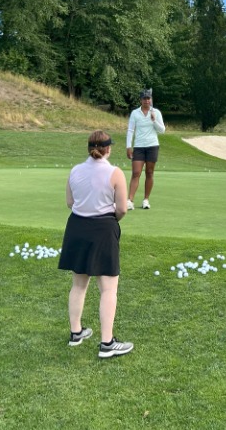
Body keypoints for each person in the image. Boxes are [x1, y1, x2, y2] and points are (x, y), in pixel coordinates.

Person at [58, 130, 133, 358]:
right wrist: (111, 220)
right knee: (108, 288)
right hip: (102, 229)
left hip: (77, 228)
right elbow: (121, 209)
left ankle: (76, 333)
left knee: (79, 284)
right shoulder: (115, 173)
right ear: (109, 149)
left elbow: (70, 202)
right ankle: (107, 343)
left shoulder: (74, 170)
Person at [125, 89, 165, 210]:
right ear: (140, 100)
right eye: (144, 99)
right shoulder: (135, 113)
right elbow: (131, 130)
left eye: (148, 98)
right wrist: (128, 146)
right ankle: (130, 200)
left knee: (149, 173)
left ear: (151, 99)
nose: (147, 101)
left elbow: (162, 130)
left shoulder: (156, 112)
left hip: (152, 146)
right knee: (136, 172)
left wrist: (154, 120)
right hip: (139, 146)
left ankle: (146, 200)